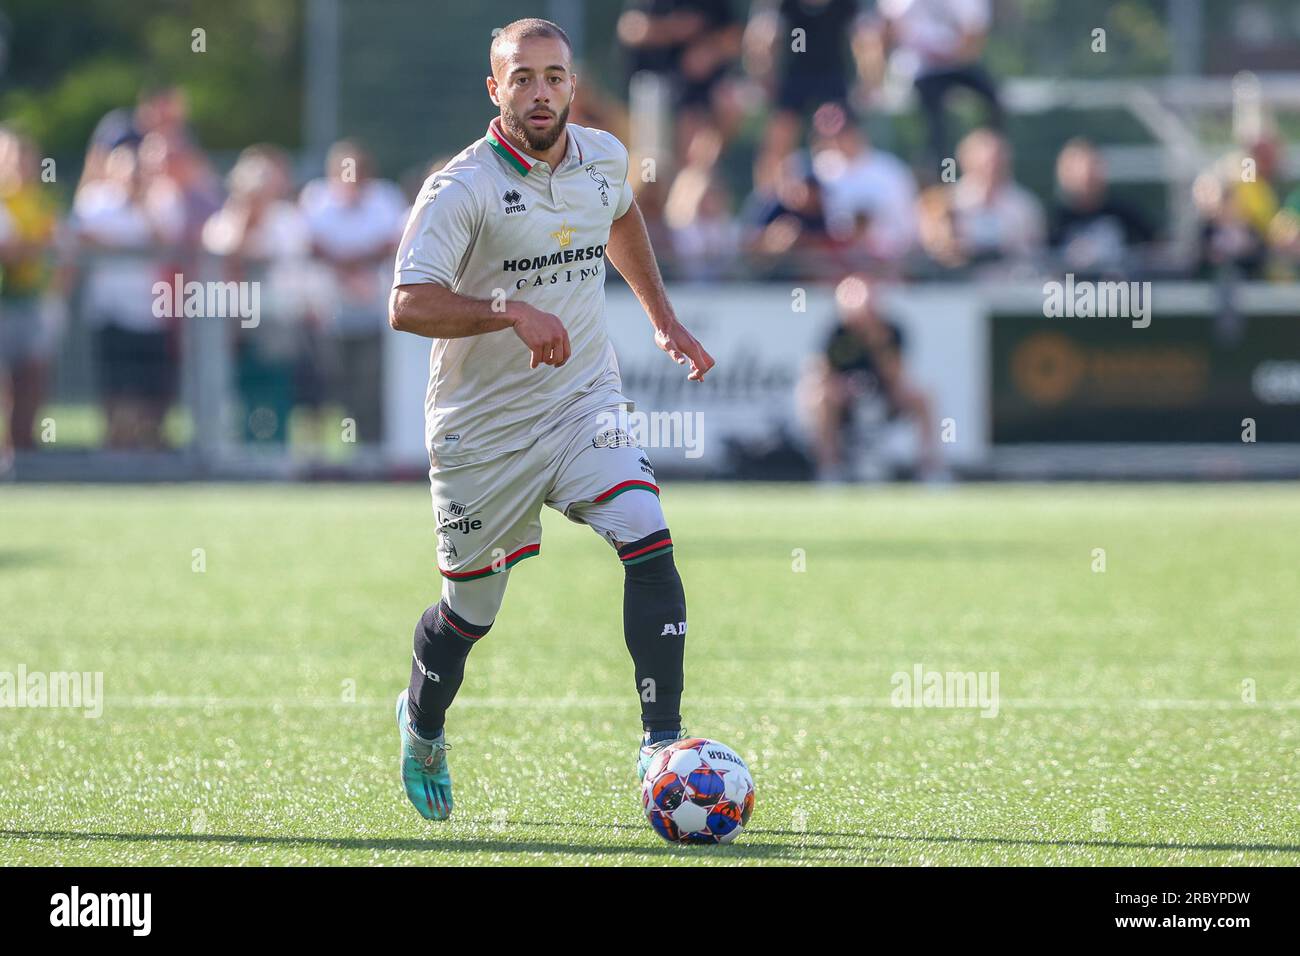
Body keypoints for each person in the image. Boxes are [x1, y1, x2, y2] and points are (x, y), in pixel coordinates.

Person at [388, 18, 715, 821]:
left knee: (648, 533)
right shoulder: (459, 187)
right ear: (494, 89)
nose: (541, 92)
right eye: (523, 78)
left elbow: (622, 216)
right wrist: (509, 312)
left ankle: (659, 746)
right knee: (469, 615)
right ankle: (422, 724)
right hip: (483, 431)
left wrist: (661, 319)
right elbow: (406, 303)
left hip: (581, 403)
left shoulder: (603, 154)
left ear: (573, 83)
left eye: (555, 77)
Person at [300, 140, 408, 446]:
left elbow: (393, 242)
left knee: (370, 387)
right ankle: (320, 453)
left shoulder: (385, 198)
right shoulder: (316, 199)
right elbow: (310, 243)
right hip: (327, 315)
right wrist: (348, 268)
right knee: (326, 384)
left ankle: (370, 449)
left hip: (375, 315)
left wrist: (351, 264)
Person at [798, 273, 938, 481]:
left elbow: (898, 376)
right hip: (845, 401)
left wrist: (876, 342)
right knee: (819, 398)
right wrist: (840, 387)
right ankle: (830, 469)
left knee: (923, 397)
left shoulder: (891, 330)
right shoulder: (837, 333)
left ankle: (930, 469)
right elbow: (821, 371)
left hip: (885, 396)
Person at [0, 129, 60, 463]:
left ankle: (24, 450)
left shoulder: (42, 202)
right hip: (4, 301)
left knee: (32, 379)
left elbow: (55, 250)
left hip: (31, 301)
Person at [1049, 138, 1153, 276]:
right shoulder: (1057, 219)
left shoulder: (1124, 212)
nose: (1088, 181)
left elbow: (1154, 246)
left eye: (1093, 172)